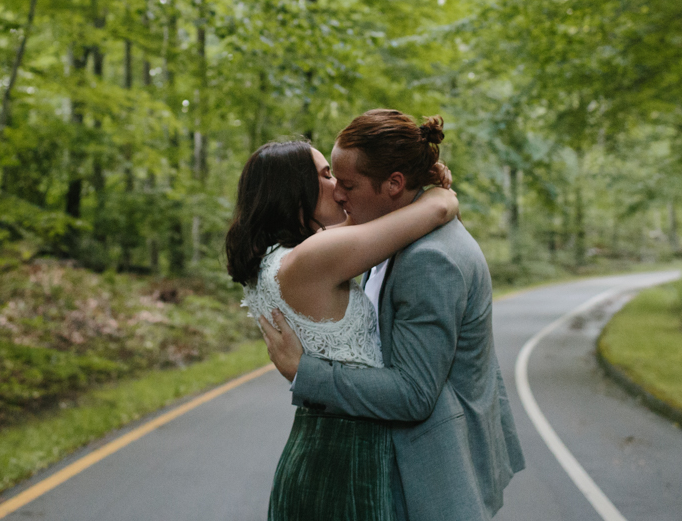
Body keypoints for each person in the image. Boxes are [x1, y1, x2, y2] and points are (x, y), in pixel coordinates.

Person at [259, 110, 525, 521]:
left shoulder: (429, 260)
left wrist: (305, 371)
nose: (338, 195)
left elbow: (414, 394)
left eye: (347, 184)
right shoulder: (394, 233)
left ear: (394, 184)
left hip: (430, 472)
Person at [225, 137, 460, 521]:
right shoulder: (312, 258)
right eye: (325, 174)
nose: (337, 186)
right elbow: (436, 210)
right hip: (344, 460)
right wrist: (440, 191)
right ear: (294, 190)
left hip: (323, 448)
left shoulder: (282, 259)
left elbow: (359, 223)